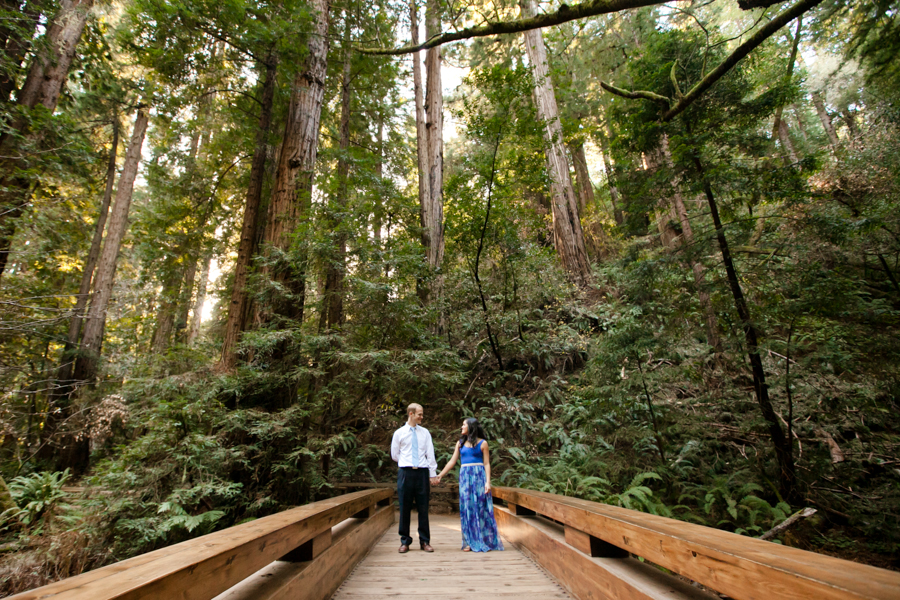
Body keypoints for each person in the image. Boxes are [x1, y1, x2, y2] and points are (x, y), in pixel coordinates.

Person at [435, 418, 504, 552]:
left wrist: (487, 482)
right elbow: (452, 461)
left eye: (464, 425)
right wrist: (440, 475)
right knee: (467, 508)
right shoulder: (460, 444)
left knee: (480, 508)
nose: (461, 427)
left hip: (479, 476)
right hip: (465, 478)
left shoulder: (483, 444)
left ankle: (483, 540)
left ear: (471, 427)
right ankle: (468, 542)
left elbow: (486, 463)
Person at [390, 403, 438, 554]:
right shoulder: (399, 433)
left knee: (423, 507)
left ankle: (425, 541)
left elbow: (430, 454)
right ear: (411, 414)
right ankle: (405, 541)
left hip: (422, 473)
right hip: (405, 472)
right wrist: (407, 463)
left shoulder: (425, 433)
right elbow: (395, 455)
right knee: (404, 507)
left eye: (422, 414)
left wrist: (432, 473)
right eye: (419, 414)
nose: (422, 417)